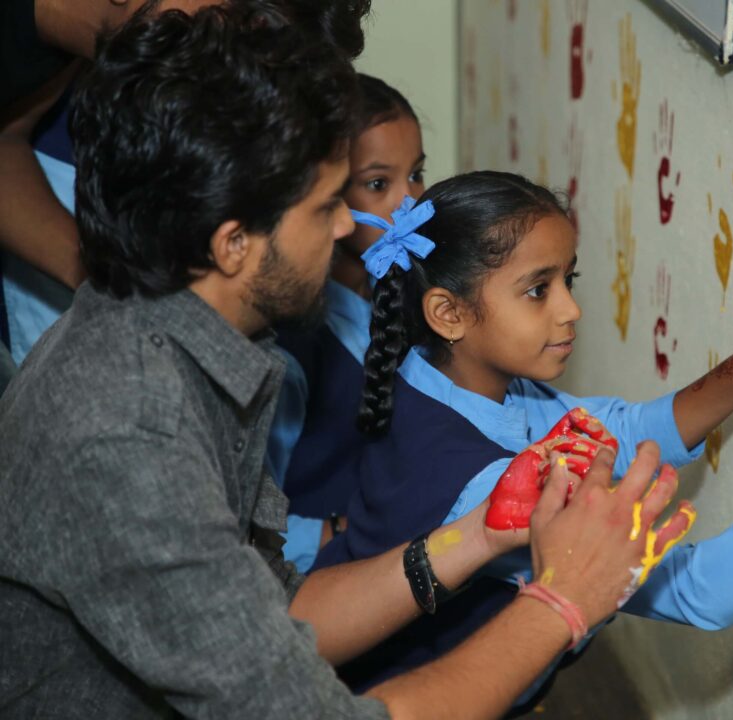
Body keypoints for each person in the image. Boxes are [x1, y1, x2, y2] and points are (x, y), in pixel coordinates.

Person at [0, 9, 697, 719]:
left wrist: (479, 533)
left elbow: (286, 610)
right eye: (326, 205)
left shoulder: (185, 341)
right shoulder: (128, 435)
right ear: (233, 242)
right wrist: (563, 602)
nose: (344, 228)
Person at [313, 171, 733, 697]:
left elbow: (625, 432)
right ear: (448, 313)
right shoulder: (483, 486)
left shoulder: (444, 374)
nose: (570, 309)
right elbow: (704, 590)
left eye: (568, 280)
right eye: (537, 289)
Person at [0, 0, 372, 367]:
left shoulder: (92, 37)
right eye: (224, 44)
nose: (219, 90)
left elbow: (5, 139)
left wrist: (99, 271)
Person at [268, 74, 428, 571]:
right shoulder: (291, 345)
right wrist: (347, 531)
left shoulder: (412, 295)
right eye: (378, 184)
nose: (410, 203)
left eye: (417, 174)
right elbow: (245, 521)